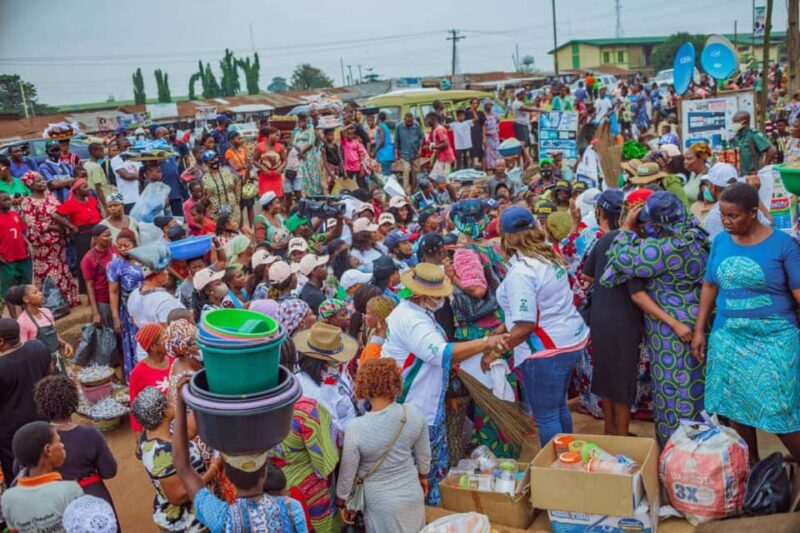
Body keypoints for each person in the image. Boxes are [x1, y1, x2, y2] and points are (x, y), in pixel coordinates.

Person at [381, 263, 509, 504]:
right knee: (424, 471)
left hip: (426, 405)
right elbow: (441, 354)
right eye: (437, 295)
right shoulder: (412, 321)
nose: (442, 299)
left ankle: (435, 508)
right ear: (422, 296)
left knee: (433, 466)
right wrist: (485, 343)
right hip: (416, 408)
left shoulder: (417, 313)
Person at [693, 183, 800, 464]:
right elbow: (710, 285)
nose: (726, 222)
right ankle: (752, 470)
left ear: (753, 213)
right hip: (729, 337)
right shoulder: (720, 242)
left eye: (733, 216)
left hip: (775, 337)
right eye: (723, 215)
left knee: (780, 409)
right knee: (735, 407)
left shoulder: (783, 245)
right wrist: (699, 330)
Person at [600, 191, 709, 447]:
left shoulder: (665, 249)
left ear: (659, 224)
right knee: (695, 392)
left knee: (674, 396)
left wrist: (627, 227)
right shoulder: (695, 235)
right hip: (697, 322)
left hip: (673, 332)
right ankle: (702, 454)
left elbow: (619, 259)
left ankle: (677, 458)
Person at [490, 206, 589, 448]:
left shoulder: (522, 272)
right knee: (558, 406)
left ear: (505, 237)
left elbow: (525, 325)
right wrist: (504, 325)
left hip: (546, 351)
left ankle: (555, 469)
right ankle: (568, 457)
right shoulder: (547, 255)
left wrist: (495, 350)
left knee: (546, 415)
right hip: (570, 340)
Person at [171, 377, 309, 533]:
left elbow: (182, 467)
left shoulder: (221, 518)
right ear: (264, 473)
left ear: (228, 477)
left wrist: (181, 404)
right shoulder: (292, 509)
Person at [336, 358, 431, 533]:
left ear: (364, 387)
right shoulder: (413, 413)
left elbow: (347, 473)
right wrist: (423, 477)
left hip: (380, 502)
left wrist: (342, 502)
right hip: (412, 492)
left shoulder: (356, 428)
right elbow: (424, 455)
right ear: (396, 383)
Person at [581, 190, 647, 436]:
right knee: (623, 380)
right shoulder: (639, 246)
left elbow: (586, 275)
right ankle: (621, 435)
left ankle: (611, 430)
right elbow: (640, 294)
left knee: (607, 376)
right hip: (625, 321)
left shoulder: (607, 239)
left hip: (600, 317)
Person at [132, 386, 216, 532]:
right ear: (163, 413)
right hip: (186, 524)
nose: (171, 402)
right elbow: (179, 496)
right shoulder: (162, 453)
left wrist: (200, 401)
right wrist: (214, 468)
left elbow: (188, 430)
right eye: (167, 401)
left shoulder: (151, 433)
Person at [33, 375, 118, 511]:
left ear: (42, 405)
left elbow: (20, 469)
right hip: (93, 495)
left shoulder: (35, 439)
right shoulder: (90, 435)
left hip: (57, 502)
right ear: (74, 401)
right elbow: (109, 471)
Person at [0, 421, 83, 532]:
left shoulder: (8, 499)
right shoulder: (70, 491)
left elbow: (15, 530)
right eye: (59, 441)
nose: (62, 445)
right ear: (48, 450)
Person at [0, 319, 52, 483]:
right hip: (42, 420)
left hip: (11, 435)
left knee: (18, 474)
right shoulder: (37, 347)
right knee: (47, 460)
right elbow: (50, 371)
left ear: (1, 341)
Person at [17, 172, 79, 307]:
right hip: (44, 243)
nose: (43, 182)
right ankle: (51, 304)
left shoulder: (50, 196)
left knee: (62, 268)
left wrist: (65, 225)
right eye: (38, 181)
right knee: (50, 271)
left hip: (59, 240)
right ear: (31, 185)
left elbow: (60, 211)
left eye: (43, 179)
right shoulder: (28, 202)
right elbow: (31, 223)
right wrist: (53, 227)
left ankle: (67, 299)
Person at [9, 284, 73, 375]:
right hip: (40, 366)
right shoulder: (22, 322)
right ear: (26, 299)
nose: (41, 293)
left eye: (39, 291)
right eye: (35, 292)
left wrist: (65, 344)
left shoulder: (46, 312)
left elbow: (54, 336)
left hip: (57, 359)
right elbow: (23, 351)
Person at [53, 178, 102, 294]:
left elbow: (99, 212)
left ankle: (100, 286)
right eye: (84, 187)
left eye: (87, 186)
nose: (88, 189)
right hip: (83, 236)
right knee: (85, 261)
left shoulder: (91, 200)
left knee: (99, 258)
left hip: (97, 233)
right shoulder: (71, 204)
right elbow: (56, 215)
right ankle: (86, 290)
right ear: (76, 190)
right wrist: (70, 226)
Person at [107, 228, 144, 380]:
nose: (122, 249)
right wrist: (116, 317)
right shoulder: (115, 265)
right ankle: (136, 380)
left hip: (147, 307)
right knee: (134, 345)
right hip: (129, 313)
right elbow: (114, 292)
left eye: (126, 245)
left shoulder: (144, 258)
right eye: (119, 246)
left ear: (134, 244)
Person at [126, 243, 186, 329]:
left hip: (143, 341)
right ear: (156, 275)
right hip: (161, 342)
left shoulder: (133, 295)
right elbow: (169, 331)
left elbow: (134, 321)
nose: (167, 272)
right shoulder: (165, 301)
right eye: (164, 270)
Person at [0, 191, 32, 315]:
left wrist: (27, 243)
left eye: (8, 199)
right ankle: (15, 320)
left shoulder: (14, 214)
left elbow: (20, 232)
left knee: (24, 288)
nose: (8, 202)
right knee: (9, 290)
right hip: (7, 260)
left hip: (22, 256)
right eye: (4, 200)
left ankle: (27, 315)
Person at [80, 225, 116, 336]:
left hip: (117, 296)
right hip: (103, 300)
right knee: (110, 333)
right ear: (95, 238)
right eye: (106, 236)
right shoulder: (88, 259)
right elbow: (89, 286)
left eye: (110, 235)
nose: (110, 238)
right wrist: (95, 312)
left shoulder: (113, 249)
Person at [200, 150, 241, 224]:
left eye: (216, 158)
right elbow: (203, 196)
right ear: (206, 163)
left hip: (233, 209)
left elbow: (238, 184)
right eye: (211, 160)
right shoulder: (204, 179)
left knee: (234, 229)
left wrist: (236, 201)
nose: (215, 161)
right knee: (221, 232)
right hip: (216, 213)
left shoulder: (227, 171)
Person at [292, 113, 325, 196]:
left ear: (305, 121)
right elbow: (294, 143)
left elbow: (310, 143)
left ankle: (314, 193)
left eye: (302, 122)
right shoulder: (298, 131)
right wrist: (299, 152)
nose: (300, 123)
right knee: (303, 174)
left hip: (309, 154)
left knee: (311, 173)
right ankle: (305, 193)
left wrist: (302, 151)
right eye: (299, 122)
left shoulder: (311, 129)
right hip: (299, 155)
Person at [110, 137, 142, 213]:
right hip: (127, 199)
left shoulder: (135, 158)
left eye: (129, 146)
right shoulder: (116, 160)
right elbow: (126, 176)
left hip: (139, 197)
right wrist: (141, 175)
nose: (128, 148)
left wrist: (139, 175)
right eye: (125, 146)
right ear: (118, 148)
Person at [395, 112, 424, 192]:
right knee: (406, 172)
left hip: (415, 153)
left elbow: (421, 137)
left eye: (411, 122)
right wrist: (396, 153)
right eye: (408, 122)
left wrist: (420, 148)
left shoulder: (416, 125)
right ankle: (407, 192)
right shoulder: (399, 126)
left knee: (416, 174)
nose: (410, 123)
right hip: (404, 154)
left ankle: (415, 190)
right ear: (404, 119)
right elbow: (396, 140)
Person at [426, 112, 456, 183]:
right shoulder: (435, 129)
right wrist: (433, 161)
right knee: (433, 178)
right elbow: (438, 148)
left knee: (444, 181)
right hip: (441, 158)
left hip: (445, 158)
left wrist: (432, 147)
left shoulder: (439, 129)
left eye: (428, 120)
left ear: (433, 119)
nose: (427, 122)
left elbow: (445, 144)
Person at [84, 143, 112, 213]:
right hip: (101, 200)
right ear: (94, 151)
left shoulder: (86, 164)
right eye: (101, 150)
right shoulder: (96, 167)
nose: (103, 153)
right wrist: (106, 207)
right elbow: (98, 189)